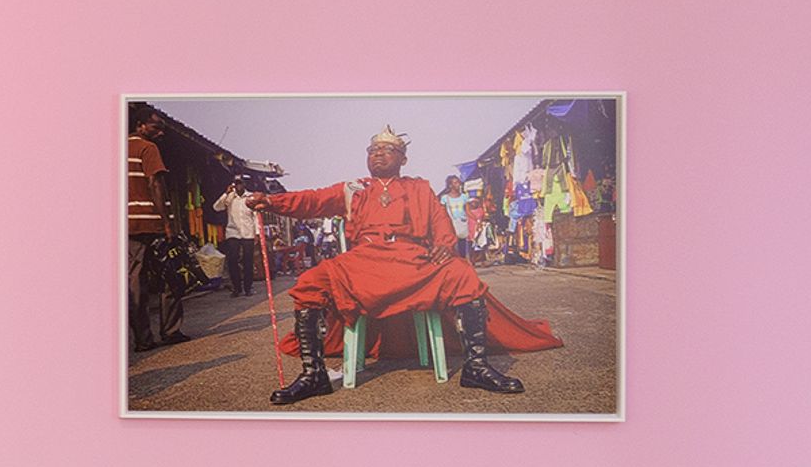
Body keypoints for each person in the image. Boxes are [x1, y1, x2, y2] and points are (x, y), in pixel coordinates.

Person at [260, 125, 559, 404]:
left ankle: (476, 367)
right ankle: (314, 374)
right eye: (372, 150)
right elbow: (311, 200)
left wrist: (444, 245)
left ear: (403, 159)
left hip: (412, 261)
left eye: (387, 150)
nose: (378, 154)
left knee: (462, 274)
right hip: (363, 262)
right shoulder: (354, 188)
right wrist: (271, 202)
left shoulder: (420, 188)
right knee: (311, 281)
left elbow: (440, 224)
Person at [219, 183, 262, 297]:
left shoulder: (250, 197)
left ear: (244, 184)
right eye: (236, 183)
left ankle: (248, 288)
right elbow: (217, 207)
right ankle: (237, 288)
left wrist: (257, 233)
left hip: (248, 232)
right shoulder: (230, 197)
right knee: (232, 260)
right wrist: (226, 193)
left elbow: (255, 216)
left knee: (248, 260)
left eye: (240, 183)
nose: (238, 186)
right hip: (233, 232)